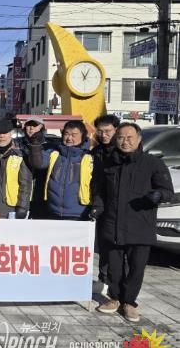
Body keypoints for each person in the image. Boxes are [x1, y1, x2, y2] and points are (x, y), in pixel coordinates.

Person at [93, 123, 174, 322]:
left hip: (140, 224)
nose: (125, 141)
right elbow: (100, 191)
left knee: (136, 268)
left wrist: (158, 195)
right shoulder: (108, 163)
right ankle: (114, 298)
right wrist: (97, 208)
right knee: (114, 267)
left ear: (139, 140)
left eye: (130, 137)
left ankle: (129, 302)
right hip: (112, 224)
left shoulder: (152, 163)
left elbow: (167, 191)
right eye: (121, 137)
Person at [27, 120, 94, 220]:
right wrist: (35, 144)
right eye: (66, 134)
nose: (69, 138)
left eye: (74, 135)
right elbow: (38, 164)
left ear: (83, 136)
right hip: (53, 211)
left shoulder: (90, 157)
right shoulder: (54, 153)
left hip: (80, 213)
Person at [90, 114, 120, 292]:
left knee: (117, 247)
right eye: (100, 131)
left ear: (116, 130)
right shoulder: (97, 152)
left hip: (119, 204)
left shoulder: (122, 152)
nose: (103, 135)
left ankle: (116, 282)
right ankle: (103, 278)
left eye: (108, 131)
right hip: (100, 203)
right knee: (102, 243)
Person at [18, 117, 50, 219]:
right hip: (19, 194)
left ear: (41, 127)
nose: (31, 128)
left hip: (40, 194)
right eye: (29, 125)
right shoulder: (17, 144)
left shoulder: (49, 145)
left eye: (35, 125)